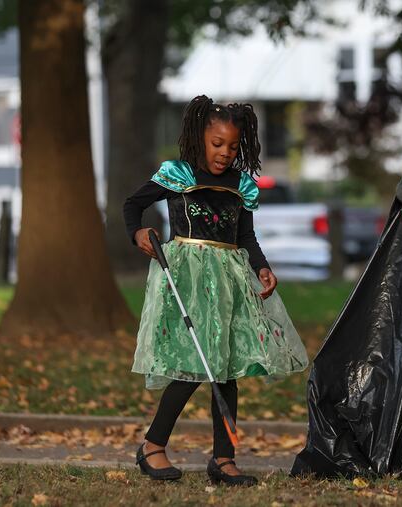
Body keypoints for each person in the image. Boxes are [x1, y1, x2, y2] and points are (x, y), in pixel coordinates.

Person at [124, 95, 308, 486]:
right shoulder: (179, 175)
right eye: (217, 144)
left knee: (227, 369)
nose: (225, 153)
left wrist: (261, 267)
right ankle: (152, 446)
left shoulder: (241, 185)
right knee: (196, 363)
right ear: (199, 138)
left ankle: (223, 458)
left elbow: (246, 236)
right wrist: (137, 232)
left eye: (232, 146)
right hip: (188, 278)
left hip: (229, 281)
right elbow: (131, 206)